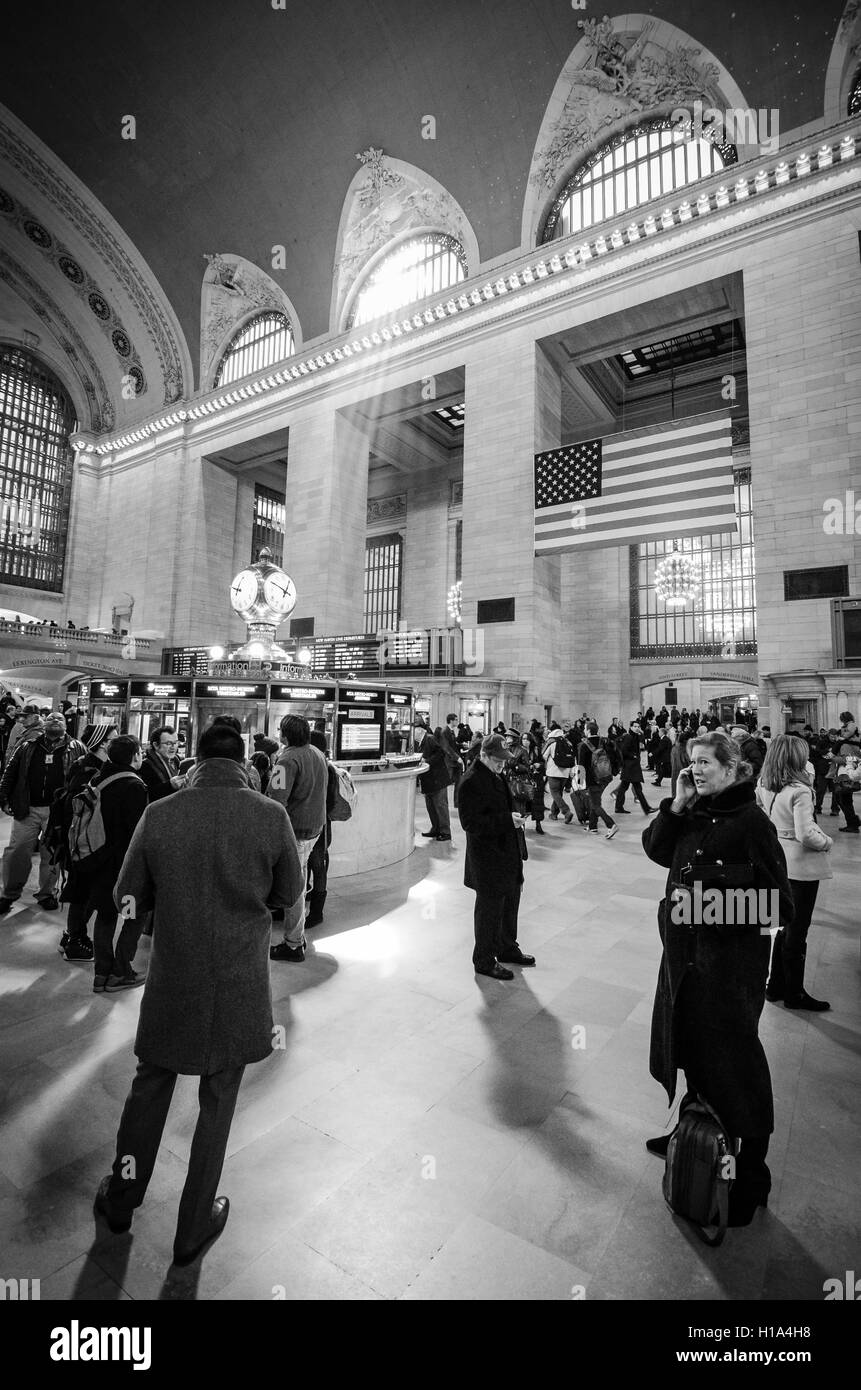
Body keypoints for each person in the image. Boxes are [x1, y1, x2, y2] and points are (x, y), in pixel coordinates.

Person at [94, 722, 303, 1267]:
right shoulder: (269, 815)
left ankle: (122, 1199)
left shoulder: (161, 813)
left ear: (196, 760)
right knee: (219, 1097)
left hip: (174, 975)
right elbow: (287, 894)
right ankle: (192, 1229)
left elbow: (126, 894)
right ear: (243, 763)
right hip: (237, 979)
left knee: (151, 1084)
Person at [641, 730, 793, 1226]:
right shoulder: (693, 811)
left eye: (706, 762)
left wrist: (706, 906)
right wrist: (676, 804)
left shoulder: (752, 824)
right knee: (690, 1052)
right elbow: (655, 850)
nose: (697, 769)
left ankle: (751, 1174)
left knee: (738, 1070)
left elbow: (780, 906)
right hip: (685, 962)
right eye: (692, 762)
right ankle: (692, 1129)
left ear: (733, 769)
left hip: (729, 973)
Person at [756, 734, 833, 1011]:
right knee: (798, 931)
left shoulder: (765, 784)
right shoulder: (800, 791)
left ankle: (775, 985)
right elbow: (806, 834)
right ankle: (794, 993)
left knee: (784, 926)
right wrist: (827, 842)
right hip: (801, 865)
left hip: (780, 860)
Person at [457, 733, 535, 980]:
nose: (502, 764)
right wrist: (506, 821)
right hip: (488, 858)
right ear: (483, 755)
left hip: (507, 852)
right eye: (497, 759)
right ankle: (483, 959)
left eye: (504, 759)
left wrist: (515, 816)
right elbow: (470, 823)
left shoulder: (496, 775)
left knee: (511, 902)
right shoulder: (470, 781)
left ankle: (507, 947)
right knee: (489, 911)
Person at [76, 734, 148, 991]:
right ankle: (121, 971)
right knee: (135, 915)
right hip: (125, 865)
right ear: (134, 756)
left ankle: (101, 973)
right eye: (140, 752)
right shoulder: (133, 785)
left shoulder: (99, 778)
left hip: (99, 861)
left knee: (105, 916)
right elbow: (138, 831)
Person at [0, 711, 85, 914]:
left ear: (66, 725)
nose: (55, 720)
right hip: (27, 808)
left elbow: (85, 778)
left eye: (60, 719)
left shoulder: (77, 748)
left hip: (58, 812)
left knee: (52, 854)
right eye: (51, 718)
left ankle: (47, 893)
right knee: (18, 850)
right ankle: (9, 894)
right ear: (44, 724)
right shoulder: (28, 746)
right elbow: (10, 772)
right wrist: (3, 798)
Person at [56, 722, 119, 961]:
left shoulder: (90, 765)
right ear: (103, 743)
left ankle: (71, 935)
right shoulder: (90, 770)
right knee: (84, 892)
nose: (117, 740)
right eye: (113, 737)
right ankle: (76, 941)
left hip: (81, 842)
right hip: (85, 844)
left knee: (84, 890)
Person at [266, 713, 327, 962]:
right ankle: (295, 937)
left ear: (285, 734)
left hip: (296, 831)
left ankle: (293, 943)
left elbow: (276, 800)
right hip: (315, 828)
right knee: (298, 881)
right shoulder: (316, 752)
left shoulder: (287, 759)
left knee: (294, 887)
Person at [578, 723, 618, 839]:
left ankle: (611, 825)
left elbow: (581, 766)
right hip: (605, 777)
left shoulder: (583, 745)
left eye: (585, 729)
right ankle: (592, 826)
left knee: (595, 805)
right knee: (594, 800)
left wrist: (580, 782)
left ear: (588, 731)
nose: (584, 731)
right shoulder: (604, 742)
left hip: (592, 779)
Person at [416, 726, 453, 842]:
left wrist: (427, 761)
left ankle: (445, 832)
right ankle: (436, 829)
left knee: (440, 806)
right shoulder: (421, 742)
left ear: (420, 732)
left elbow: (441, 753)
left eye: (414, 732)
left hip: (438, 779)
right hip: (430, 781)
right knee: (431, 806)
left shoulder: (429, 739)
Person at [505, 732, 545, 834]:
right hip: (519, 780)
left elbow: (542, 763)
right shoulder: (515, 749)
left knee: (536, 803)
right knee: (520, 804)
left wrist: (537, 765)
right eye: (523, 739)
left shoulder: (535, 750)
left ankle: (538, 824)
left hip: (534, 779)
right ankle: (521, 825)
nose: (525, 741)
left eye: (527, 739)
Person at [614, 721, 655, 816]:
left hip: (632, 766)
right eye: (635, 726)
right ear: (631, 727)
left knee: (624, 787)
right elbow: (624, 750)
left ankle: (618, 807)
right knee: (637, 788)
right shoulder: (628, 737)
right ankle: (646, 808)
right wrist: (634, 756)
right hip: (630, 766)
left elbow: (642, 741)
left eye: (638, 726)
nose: (637, 727)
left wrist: (641, 732)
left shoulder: (635, 735)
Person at [138, 726, 182, 802]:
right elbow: (147, 795)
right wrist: (170, 785)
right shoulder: (145, 765)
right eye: (168, 743)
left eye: (175, 743)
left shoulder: (176, 760)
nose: (173, 747)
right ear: (155, 745)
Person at [543, 722, 574, 823]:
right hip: (565, 772)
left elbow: (543, 755)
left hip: (553, 772)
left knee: (555, 793)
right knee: (558, 793)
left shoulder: (551, 742)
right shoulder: (568, 742)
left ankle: (566, 811)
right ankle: (553, 813)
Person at [441, 713, 464, 808]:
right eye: (456, 720)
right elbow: (446, 747)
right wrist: (457, 757)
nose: (457, 722)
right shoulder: (444, 731)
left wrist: (461, 745)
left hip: (454, 762)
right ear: (451, 720)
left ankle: (457, 803)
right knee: (445, 784)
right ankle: (443, 803)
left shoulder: (451, 731)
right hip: (449, 762)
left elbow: (453, 745)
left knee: (458, 783)